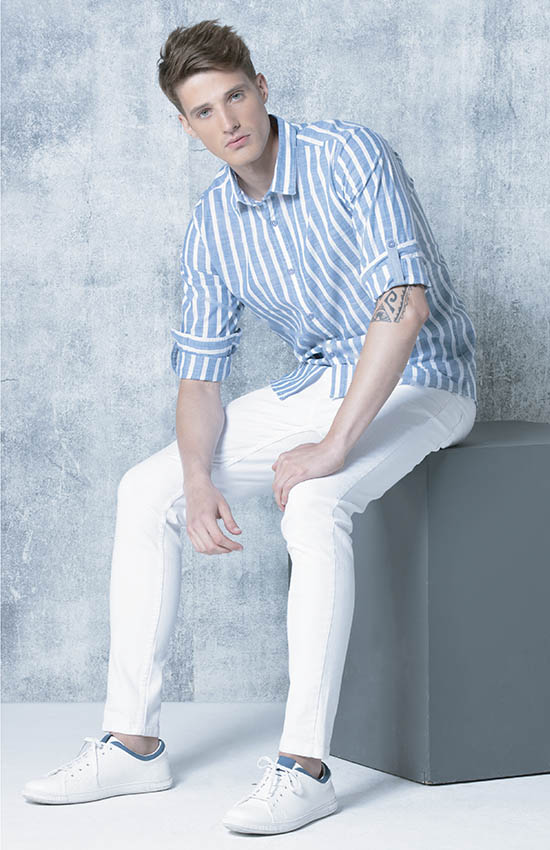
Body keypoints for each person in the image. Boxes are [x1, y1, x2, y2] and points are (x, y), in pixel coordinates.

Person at [21, 18, 478, 835]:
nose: (227, 121)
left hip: (422, 377)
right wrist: (198, 479)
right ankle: (133, 745)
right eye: (204, 111)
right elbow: (201, 377)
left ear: (261, 88)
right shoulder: (212, 223)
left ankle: (305, 767)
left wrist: (332, 446)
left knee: (315, 500)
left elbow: (403, 305)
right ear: (186, 125)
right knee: (148, 489)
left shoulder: (349, 155)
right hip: (317, 382)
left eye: (235, 96)